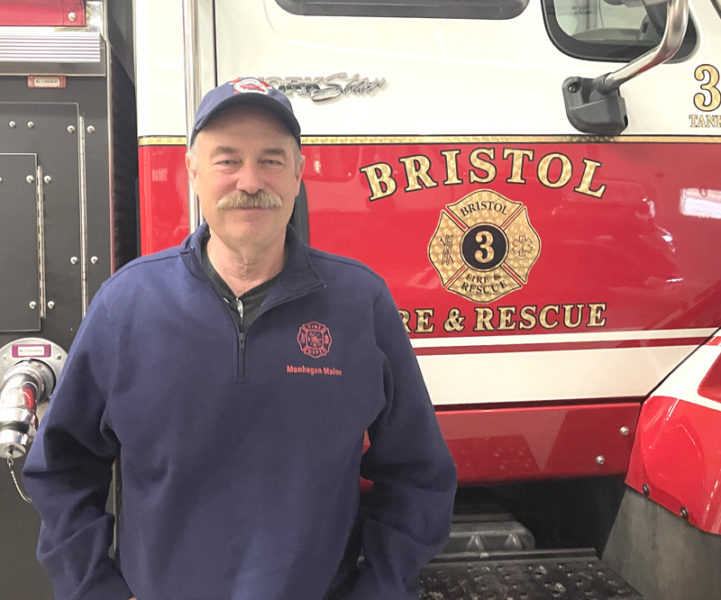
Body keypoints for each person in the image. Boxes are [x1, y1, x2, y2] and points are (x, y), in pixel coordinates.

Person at [23, 77, 457, 600]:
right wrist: (95, 589)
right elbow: (62, 468)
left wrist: (380, 589)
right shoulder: (127, 305)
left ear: (298, 174)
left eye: (271, 160)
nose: (250, 181)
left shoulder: (360, 303)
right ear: (194, 172)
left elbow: (418, 474)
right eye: (227, 160)